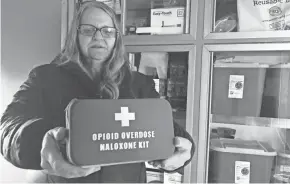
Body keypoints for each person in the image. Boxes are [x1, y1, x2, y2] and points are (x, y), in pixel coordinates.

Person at [0, 1, 195, 183]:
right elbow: (8, 128)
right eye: (88, 30)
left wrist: (186, 151)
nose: (98, 37)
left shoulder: (140, 84)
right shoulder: (45, 77)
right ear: (74, 35)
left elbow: (172, 133)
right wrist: (40, 143)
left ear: (116, 38)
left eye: (107, 31)